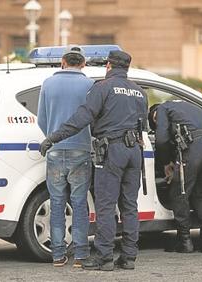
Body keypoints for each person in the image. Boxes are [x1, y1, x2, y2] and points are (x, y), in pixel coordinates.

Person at [39, 50, 148, 271]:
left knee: (106, 205)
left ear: (109, 65)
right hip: (134, 152)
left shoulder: (102, 88)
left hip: (112, 150)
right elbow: (143, 125)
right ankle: (128, 257)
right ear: (126, 67)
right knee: (129, 206)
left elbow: (82, 118)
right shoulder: (139, 92)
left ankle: (104, 257)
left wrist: (53, 137)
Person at [37, 45, 94, 267]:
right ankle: (80, 255)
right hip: (81, 149)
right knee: (79, 203)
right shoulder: (89, 84)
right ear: (83, 64)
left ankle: (58, 255)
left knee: (57, 203)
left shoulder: (48, 83)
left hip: (54, 150)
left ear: (63, 62)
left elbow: (42, 119)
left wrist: (53, 138)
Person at [149, 100, 202, 254]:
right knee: (199, 194)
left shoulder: (161, 109)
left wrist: (166, 163)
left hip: (194, 148)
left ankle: (184, 241)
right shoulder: (186, 105)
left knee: (178, 193)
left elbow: (161, 140)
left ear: (154, 117)